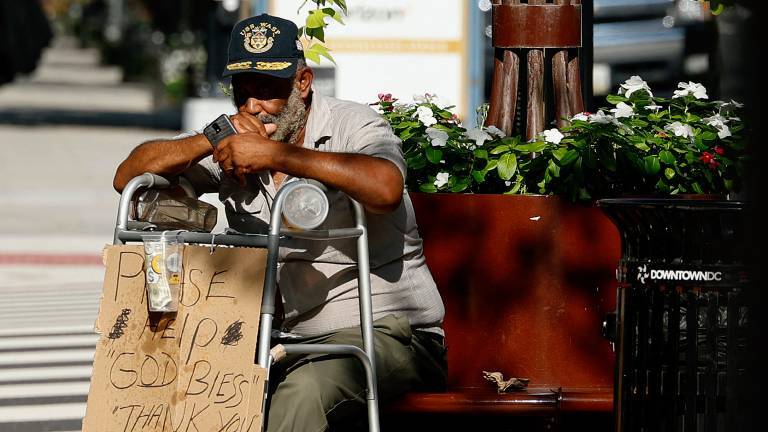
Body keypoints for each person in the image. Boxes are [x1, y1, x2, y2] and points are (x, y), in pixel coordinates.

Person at [113, 13, 446, 432]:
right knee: (176, 387)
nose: (254, 106)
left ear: (302, 83)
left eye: (268, 90)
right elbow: (128, 179)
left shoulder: (353, 124)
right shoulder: (236, 144)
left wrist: (279, 157)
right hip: (286, 341)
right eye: (243, 92)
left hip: (389, 333)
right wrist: (207, 140)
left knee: (301, 395)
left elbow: (385, 188)